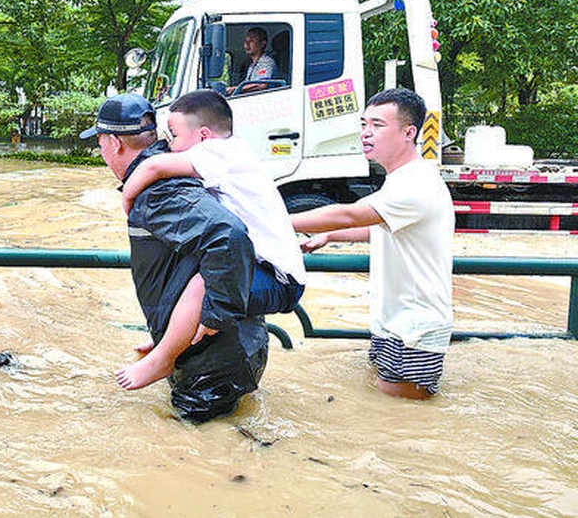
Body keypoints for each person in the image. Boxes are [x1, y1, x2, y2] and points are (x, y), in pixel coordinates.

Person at [80, 93, 268, 422]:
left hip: (213, 361)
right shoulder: (165, 175)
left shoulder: (159, 190)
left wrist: (215, 317)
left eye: (99, 143)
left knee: (202, 460)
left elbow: (229, 236)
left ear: (113, 143)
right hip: (222, 350)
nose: (102, 152)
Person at [116, 89, 305, 390]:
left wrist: (128, 199)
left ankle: (164, 357)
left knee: (204, 282)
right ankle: (170, 341)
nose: (172, 145)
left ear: (203, 135)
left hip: (278, 281)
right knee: (195, 271)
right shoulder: (235, 153)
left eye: (175, 136)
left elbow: (153, 166)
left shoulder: (219, 152)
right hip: (264, 269)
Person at [291, 88, 454, 400]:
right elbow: (377, 226)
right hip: (393, 320)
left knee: (402, 423)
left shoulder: (415, 183)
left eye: (378, 125)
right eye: (364, 124)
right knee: (384, 409)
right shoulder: (401, 177)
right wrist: (329, 235)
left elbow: (350, 214)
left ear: (409, 132)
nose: (366, 133)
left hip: (414, 328)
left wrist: (275, 222)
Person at [233, 27, 279, 94]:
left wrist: (235, 89)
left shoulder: (266, 62)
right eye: (246, 41)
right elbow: (247, 85)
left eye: (251, 41)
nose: (246, 45)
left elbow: (262, 85)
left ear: (262, 44)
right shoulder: (252, 65)